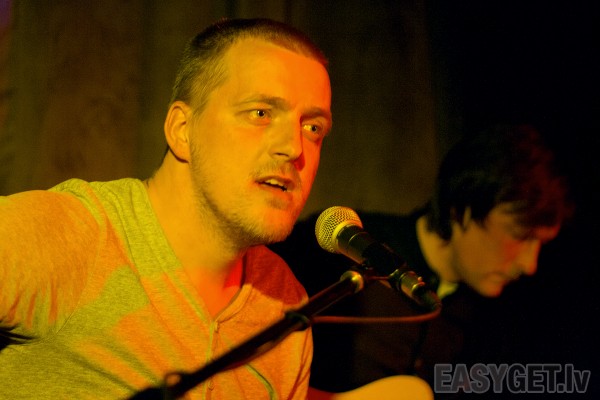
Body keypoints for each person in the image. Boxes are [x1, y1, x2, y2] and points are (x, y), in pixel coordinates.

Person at [0, 18, 332, 399]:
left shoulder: (285, 301)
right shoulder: (78, 236)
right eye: (260, 113)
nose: (294, 148)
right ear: (181, 130)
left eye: (313, 128)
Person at [270, 124, 573, 396]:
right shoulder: (346, 247)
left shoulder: (499, 322)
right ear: (463, 209)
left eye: (540, 244)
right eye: (520, 236)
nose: (530, 265)